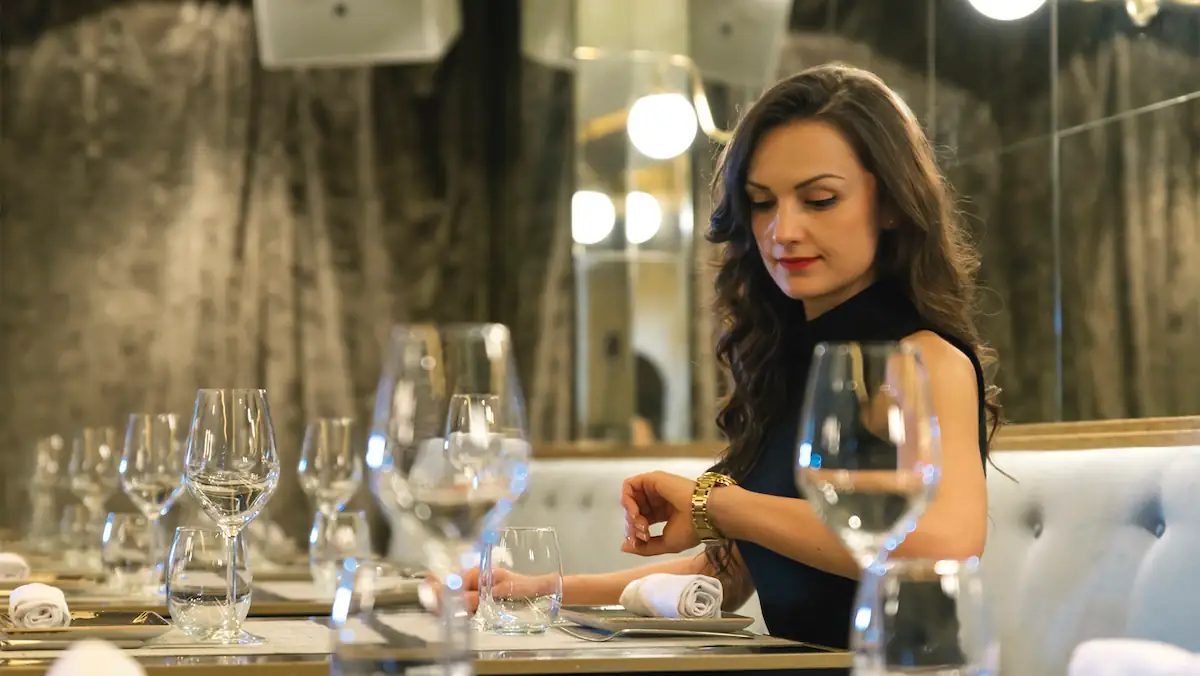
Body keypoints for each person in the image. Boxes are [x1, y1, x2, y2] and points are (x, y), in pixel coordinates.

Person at [457, 63, 1000, 649]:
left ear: (891, 202)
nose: (782, 230)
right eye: (762, 203)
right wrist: (542, 590)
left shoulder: (921, 360)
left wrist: (716, 504)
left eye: (819, 200)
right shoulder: (790, 365)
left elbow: (947, 543)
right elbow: (728, 573)